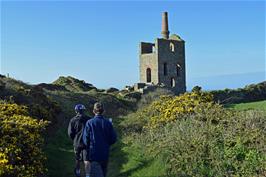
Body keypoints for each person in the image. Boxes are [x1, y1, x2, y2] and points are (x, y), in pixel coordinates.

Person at [83, 102, 117, 177]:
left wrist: (88, 150)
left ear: (93, 111)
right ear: (103, 111)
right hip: (105, 153)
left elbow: (85, 140)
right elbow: (113, 138)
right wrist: (106, 144)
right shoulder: (108, 123)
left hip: (94, 154)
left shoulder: (89, 123)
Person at [68, 104, 90, 177]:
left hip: (77, 143)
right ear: (84, 110)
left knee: (77, 158)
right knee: (86, 160)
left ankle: (78, 173)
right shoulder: (89, 119)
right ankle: (87, 175)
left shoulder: (73, 120)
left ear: (76, 111)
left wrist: (74, 139)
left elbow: (70, 133)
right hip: (87, 143)